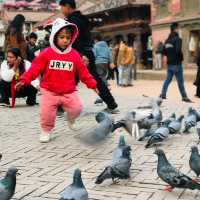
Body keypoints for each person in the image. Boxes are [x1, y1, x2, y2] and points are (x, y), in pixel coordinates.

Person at [15, 18, 98, 143]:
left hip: (68, 91)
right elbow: (34, 69)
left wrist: (92, 84)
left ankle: (71, 119)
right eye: (62, 37)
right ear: (54, 37)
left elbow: (83, 73)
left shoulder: (75, 55)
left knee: (77, 109)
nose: (65, 40)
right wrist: (24, 79)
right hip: (49, 91)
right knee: (47, 113)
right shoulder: (46, 53)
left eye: (68, 37)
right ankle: (46, 131)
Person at [59, 0, 118, 114]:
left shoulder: (73, 21)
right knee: (91, 80)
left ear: (67, 6)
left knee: (70, 80)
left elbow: (75, 41)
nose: (61, 10)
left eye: (61, 7)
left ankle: (61, 106)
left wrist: (80, 55)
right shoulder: (82, 19)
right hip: (87, 52)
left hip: (80, 54)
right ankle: (111, 104)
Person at [159, 22, 191, 102]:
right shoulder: (178, 39)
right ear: (176, 29)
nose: (179, 30)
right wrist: (181, 58)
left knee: (168, 80)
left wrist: (169, 56)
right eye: (178, 28)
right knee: (180, 81)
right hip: (177, 64)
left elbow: (163, 52)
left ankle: (163, 94)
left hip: (169, 64)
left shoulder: (167, 40)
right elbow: (178, 51)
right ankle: (184, 97)